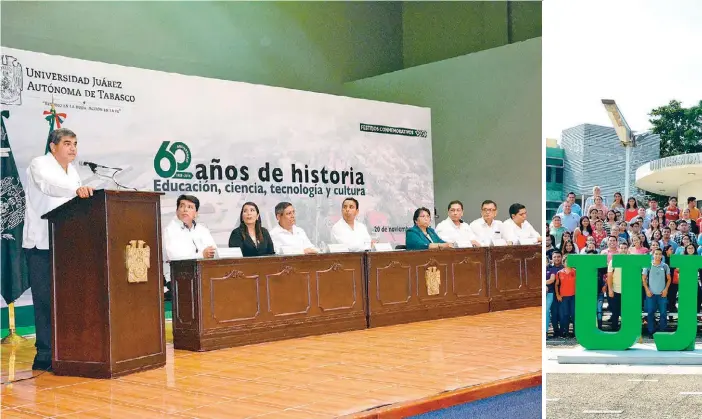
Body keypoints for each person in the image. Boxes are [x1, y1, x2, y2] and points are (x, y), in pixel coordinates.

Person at [22, 128, 95, 371]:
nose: (73, 148)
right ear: (53, 146)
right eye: (67, 143)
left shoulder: (73, 171)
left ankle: (68, 349)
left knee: (67, 299)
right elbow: (48, 186)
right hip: (41, 243)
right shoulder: (39, 164)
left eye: (75, 143)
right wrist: (75, 191)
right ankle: (44, 354)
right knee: (44, 300)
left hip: (67, 245)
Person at [164, 195, 217, 261]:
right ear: (177, 212)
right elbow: (175, 257)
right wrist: (201, 255)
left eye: (190, 207)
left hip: (204, 269)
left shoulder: (203, 230)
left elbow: (214, 252)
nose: (185, 209)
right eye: (182, 206)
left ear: (196, 214)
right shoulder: (170, 230)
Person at [642, 249, 671, 337]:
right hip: (651, 294)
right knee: (650, 313)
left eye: (659, 254)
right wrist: (647, 290)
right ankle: (651, 331)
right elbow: (643, 279)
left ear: (662, 255)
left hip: (662, 294)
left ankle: (662, 330)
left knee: (663, 313)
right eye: (656, 254)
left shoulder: (665, 266)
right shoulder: (648, 266)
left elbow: (669, 279)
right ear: (653, 255)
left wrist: (666, 290)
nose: (658, 256)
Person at [606, 240, 630, 331]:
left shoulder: (631, 260)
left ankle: (626, 330)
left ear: (627, 249)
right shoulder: (614, 261)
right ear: (618, 249)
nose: (623, 250)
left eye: (625, 248)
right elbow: (609, 276)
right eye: (621, 248)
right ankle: (614, 329)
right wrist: (610, 289)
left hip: (627, 291)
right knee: (615, 312)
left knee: (626, 312)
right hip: (616, 290)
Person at [555, 254, 576, 338]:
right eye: (566, 261)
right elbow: (556, 285)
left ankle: (575, 332)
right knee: (565, 315)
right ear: (563, 263)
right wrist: (558, 295)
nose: (568, 262)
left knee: (574, 314)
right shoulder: (559, 273)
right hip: (563, 297)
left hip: (573, 296)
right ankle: (566, 332)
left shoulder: (575, 271)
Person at [545, 251, 563, 338]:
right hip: (552, 293)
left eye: (558, 256)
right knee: (554, 312)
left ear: (561, 257)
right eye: (555, 257)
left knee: (563, 312)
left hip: (564, 293)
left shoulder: (565, 267)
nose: (557, 258)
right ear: (552, 258)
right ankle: (556, 330)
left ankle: (563, 330)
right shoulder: (550, 268)